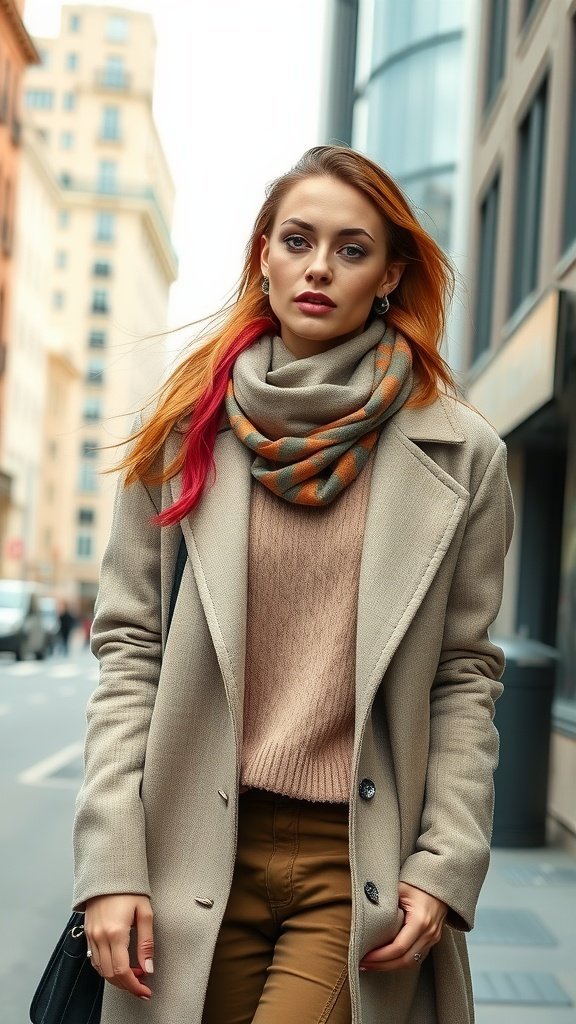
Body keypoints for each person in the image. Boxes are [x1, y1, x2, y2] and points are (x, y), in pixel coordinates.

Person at [72, 145, 513, 1024]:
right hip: (193, 841)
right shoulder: (180, 433)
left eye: (352, 249)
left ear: (390, 274)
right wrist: (111, 861)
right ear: (263, 255)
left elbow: (466, 674)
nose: (319, 267)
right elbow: (130, 650)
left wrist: (445, 862)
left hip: (354, 853)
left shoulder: (462, 454)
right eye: (298, 240)